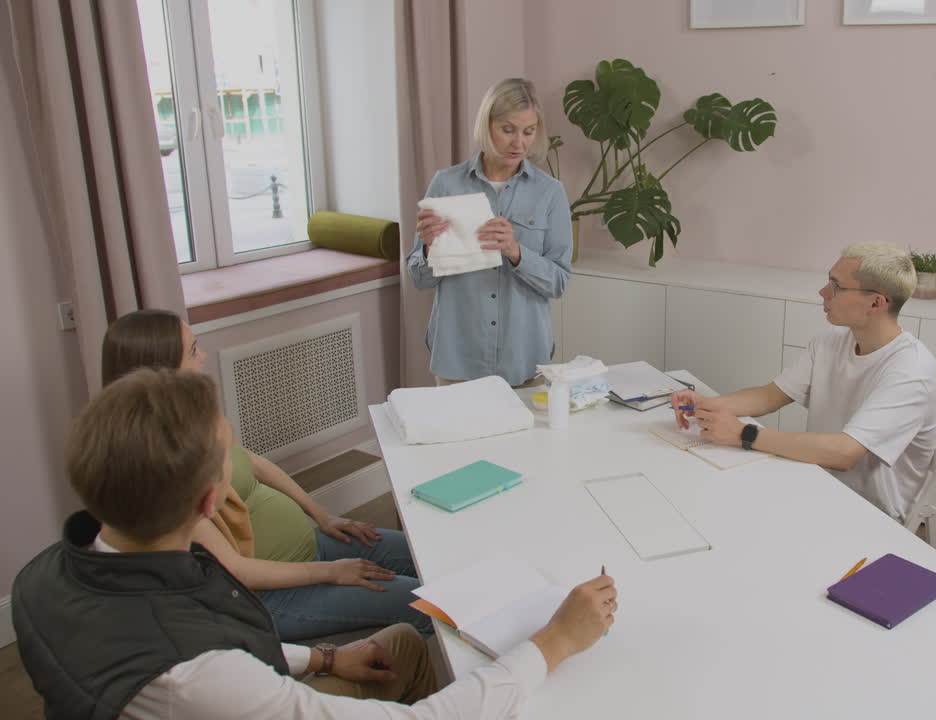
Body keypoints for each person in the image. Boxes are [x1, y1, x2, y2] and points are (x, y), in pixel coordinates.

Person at [13, 368, 617, 719]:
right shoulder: (194, 674)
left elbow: (217, 646)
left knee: (404, 644)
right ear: (209, 503)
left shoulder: (40, 577)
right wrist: (555, 642)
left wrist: (325, 658)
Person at [101, 309, 430, 641]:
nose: (203, 355)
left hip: (311, 548)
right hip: (274, 595)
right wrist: (331, 572)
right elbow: (236, 570)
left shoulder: (198, 420)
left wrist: (322, 516)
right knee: (429, 606)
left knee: (431, 556)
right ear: (161, 368)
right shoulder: (164, 475)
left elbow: (252, 462)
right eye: (193, 350)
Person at [670, 243, 936, 521]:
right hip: (815, 480)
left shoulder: (911, 370)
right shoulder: (832, 341)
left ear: (876, 303)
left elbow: (845, 454)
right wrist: (708, 404)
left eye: (836, 286)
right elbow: (770, 395)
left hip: (869, 513)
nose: (823, 292)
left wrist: (744, 434)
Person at [407, 77, 572, 387]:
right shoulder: (446, 183)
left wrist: (516, 252)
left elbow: (559, 282)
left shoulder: (550, 192)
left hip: (524, 357)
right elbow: (419, 279)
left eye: (528, 131)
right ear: (487, 126)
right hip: (458, 355)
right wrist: (428, 249)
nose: (519, 143)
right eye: (508, 130)